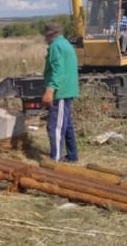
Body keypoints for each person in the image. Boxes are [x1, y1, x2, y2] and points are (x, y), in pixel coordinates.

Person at [42, 23, 79, 162]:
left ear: (50, 35)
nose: (45, 39)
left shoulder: (55, 46)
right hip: (68, 90)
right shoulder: (66, 43)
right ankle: (72, 156)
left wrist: (50, 90)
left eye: (46, 36)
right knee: (66, 124)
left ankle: (55, 158)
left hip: (61, 92)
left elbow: (58, 70)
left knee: (55, 127)